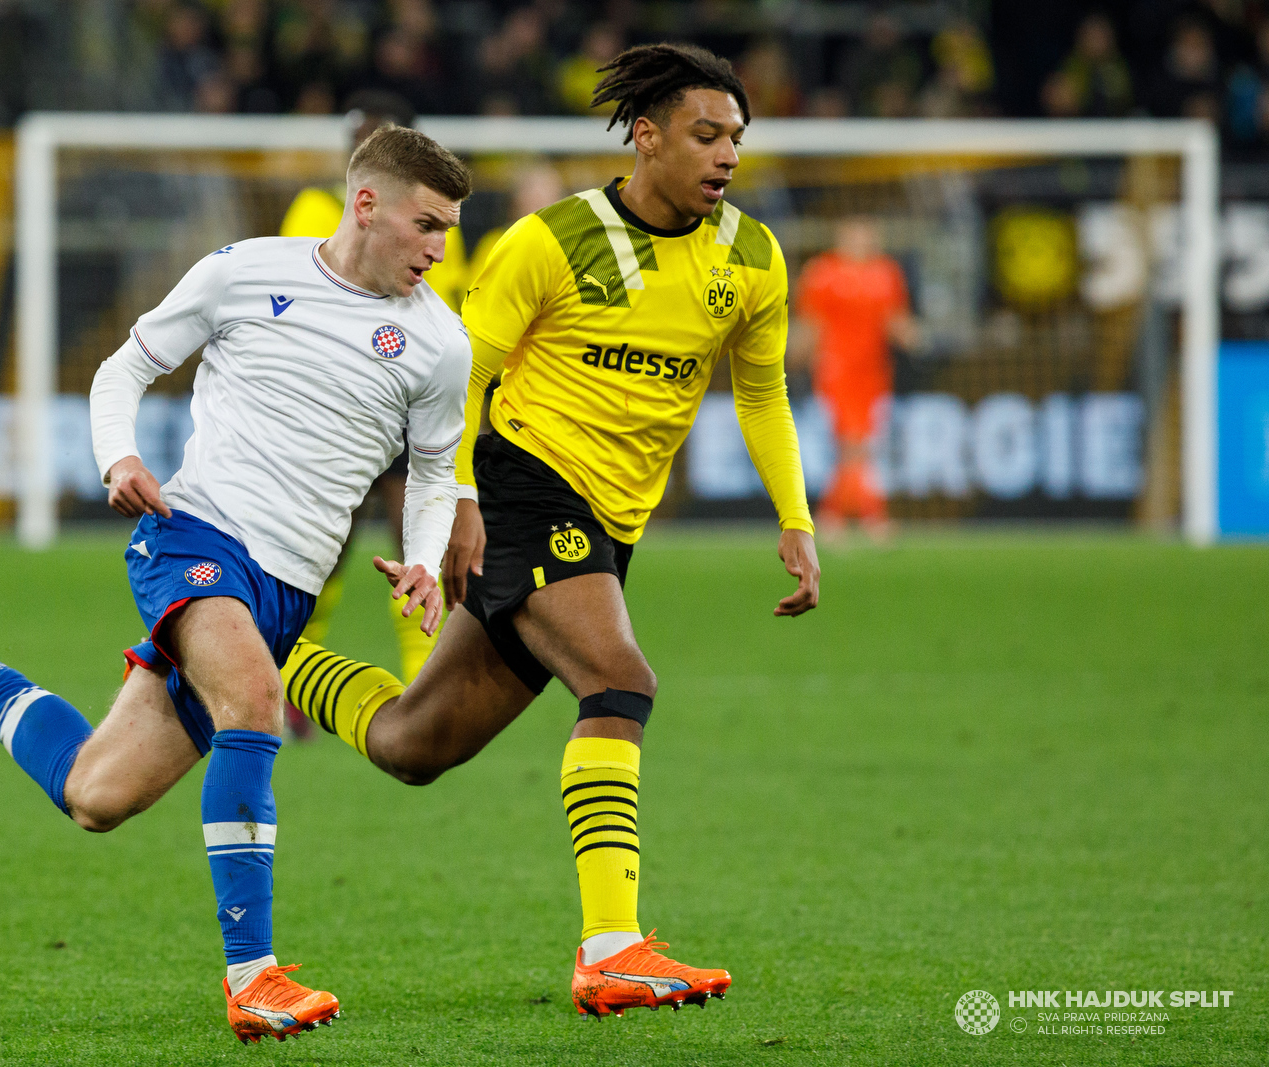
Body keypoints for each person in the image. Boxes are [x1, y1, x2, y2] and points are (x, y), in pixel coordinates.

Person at [0, 125, 473, 1045]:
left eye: (450, 232)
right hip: (194, 538)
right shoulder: (242, 271)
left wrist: (421, 556)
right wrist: (119, 456)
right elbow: (125, 367)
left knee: (96, 795)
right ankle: (254, 977)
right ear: (367, 204)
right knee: (256, 701)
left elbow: (431, 471)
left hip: (286, 589)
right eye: (427, 225)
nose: (438, 249)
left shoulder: (439, 345)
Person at [277, 43, 820, 1018]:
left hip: (608, 524)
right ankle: (612, 946)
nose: (726, 153)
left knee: (412, 743)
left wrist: (794, 516)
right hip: (524, 487)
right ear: (645, 137)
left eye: (736, 136)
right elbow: (460, 377)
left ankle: (251, 646)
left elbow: (763, 386)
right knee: (618, 680)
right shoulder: (551, 240)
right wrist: (458, 501)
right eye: (706, 133)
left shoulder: (751, 256)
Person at [280, 89, 469, 687]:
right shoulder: (313, 208)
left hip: (408, 400)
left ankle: (421, 680)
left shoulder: (441, 225)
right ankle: (292, 666)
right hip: (332, 402)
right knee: (323, 540)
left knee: (415, 534)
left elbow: (451, 310)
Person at [793, 215, 916, 538]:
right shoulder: (823, 273)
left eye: (866, 236)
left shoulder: (886, 273)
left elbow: (895, 319)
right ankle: (872, 516)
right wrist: (797, 355)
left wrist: (916, 337)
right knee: (853, 443)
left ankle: (832, 516)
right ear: (841, 239)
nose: (861, 242)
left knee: (859, 444)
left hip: (874, 370)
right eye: (854, 236)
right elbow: (812, 323)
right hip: (836, 368)